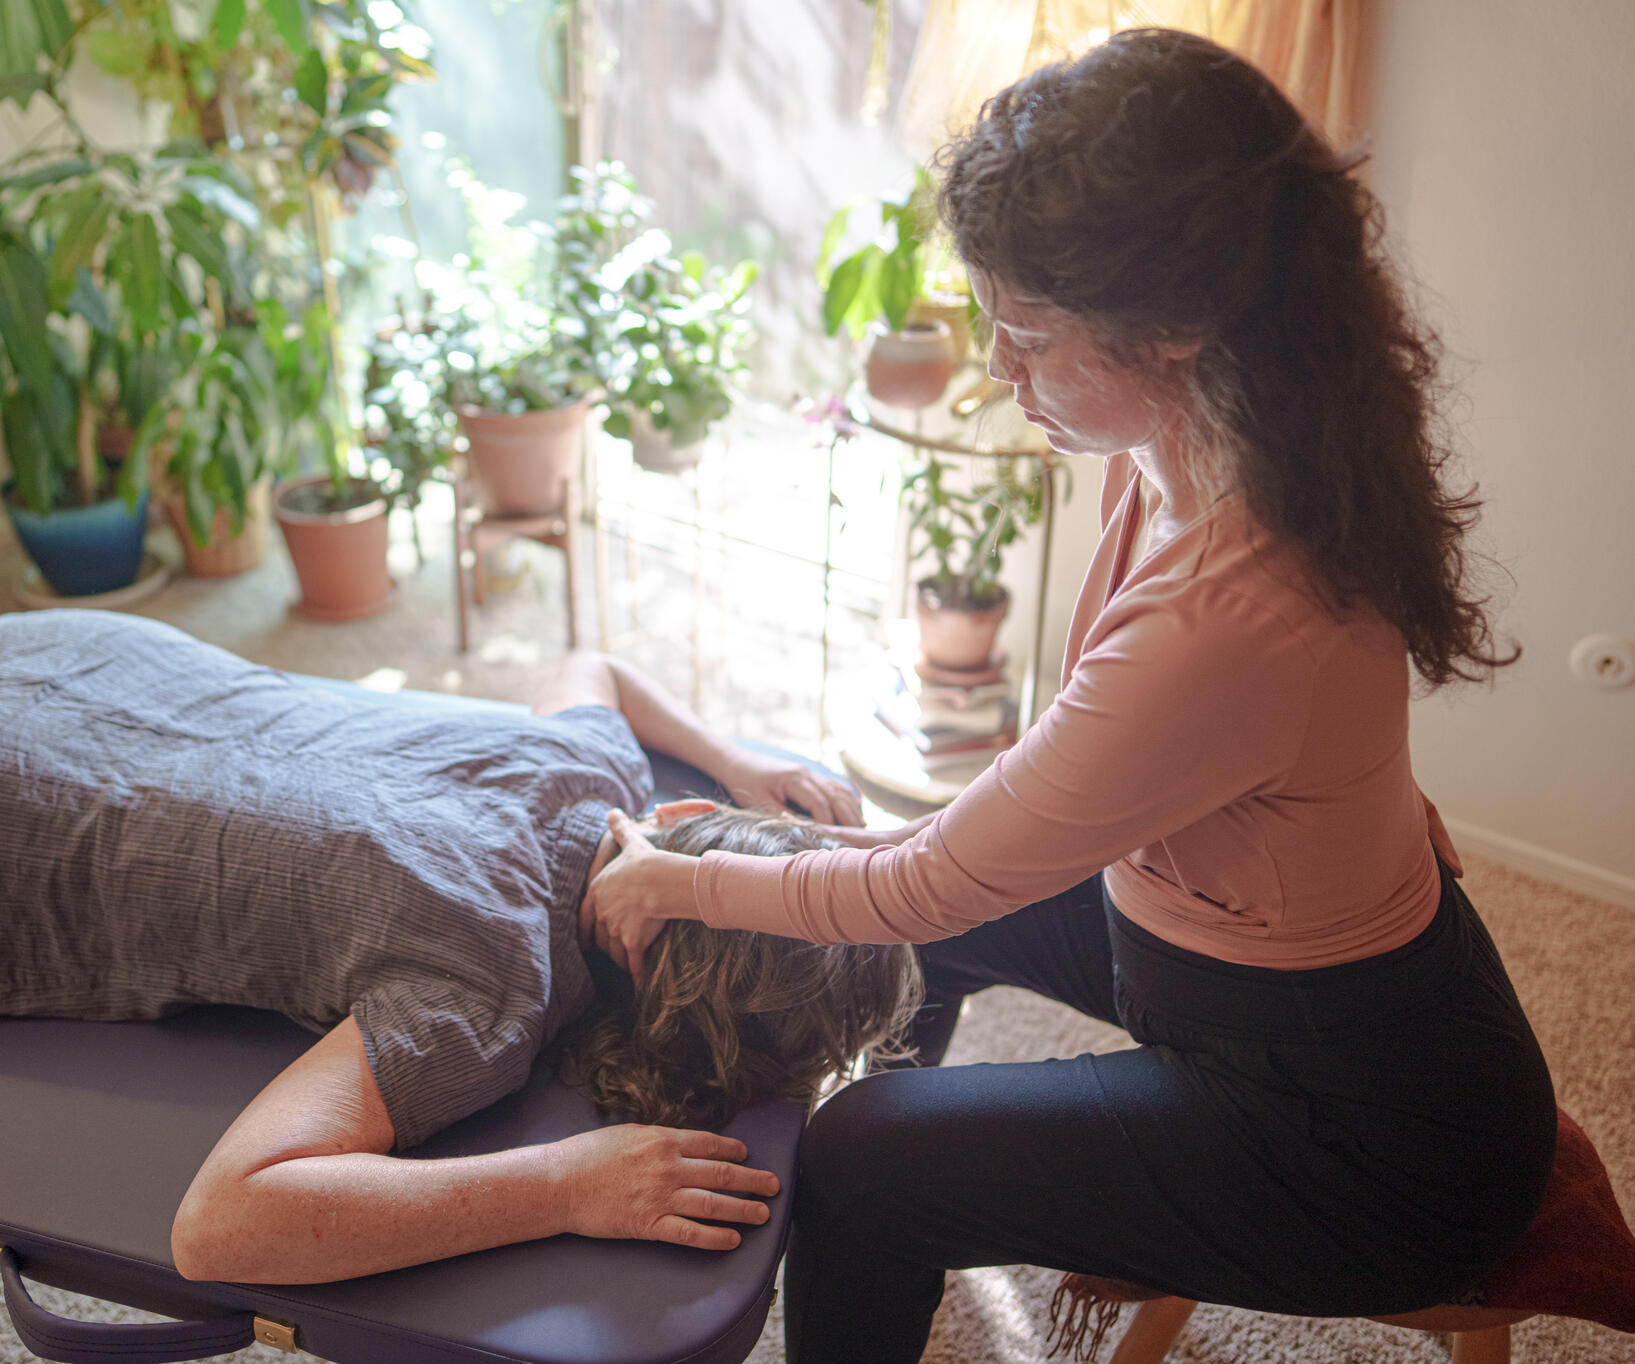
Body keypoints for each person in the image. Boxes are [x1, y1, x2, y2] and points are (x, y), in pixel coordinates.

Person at [580, 28, 1558, 1364]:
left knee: (866, 1149)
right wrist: (805, 865)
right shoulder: (1208, 438)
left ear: (1176, 330)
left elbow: (925, 881)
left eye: (1032, 336)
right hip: (1239, 972)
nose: (997, 365)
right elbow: (975, 850)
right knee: (919, 936)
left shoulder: (1231, 606)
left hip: (1366, 1143)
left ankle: (879, 1209)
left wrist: (679, 882)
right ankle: (878, 1211)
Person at [0, 607, 918, 1286]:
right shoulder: (489, 993)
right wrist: (565, 1186)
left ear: (677, 814)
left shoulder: (593, 767)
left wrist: (732, 763)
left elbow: (592, 666)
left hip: (79, 650)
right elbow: (219, 1224)